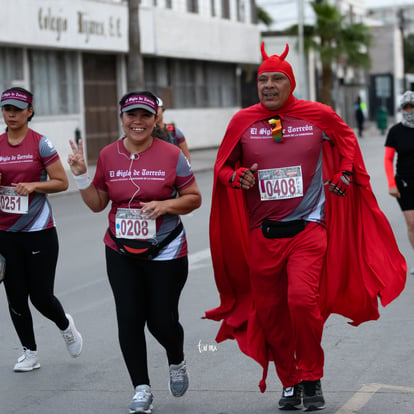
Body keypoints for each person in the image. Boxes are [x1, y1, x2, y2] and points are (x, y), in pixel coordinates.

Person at [204, 43, 406, 412]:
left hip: (309, 230)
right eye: (262, 79)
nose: (268, 85)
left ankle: (311, 376)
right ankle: (290, 381)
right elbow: (222, 166)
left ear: (290, 83)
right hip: (262, 235)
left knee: (301, 301)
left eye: (276, 79)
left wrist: (345, 173)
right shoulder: (243, 121)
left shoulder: (318, 115)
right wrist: (236, 177)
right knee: (272, 313)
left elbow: (347, 142)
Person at [68, 91, 201, 414]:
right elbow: (98, 204)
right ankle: (141, 388)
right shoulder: (109, 155)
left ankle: (176, 359)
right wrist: (82, 175)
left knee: (161, 322)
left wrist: (166, 204)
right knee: (129, 318)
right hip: (120, 248)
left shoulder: (172, 155)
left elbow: (193, 197)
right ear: (122, 118)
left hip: (166, 249)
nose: (137, 122)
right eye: (131, 115)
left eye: (144, 116)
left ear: (155, 119)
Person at [0, 87, 83, 372]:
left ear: (29, 112)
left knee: (41, 296)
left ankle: (66, 325)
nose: (10, 114)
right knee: (15, 294)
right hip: (5, 232)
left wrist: (35, 185)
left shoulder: (41, 144)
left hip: (39, 230)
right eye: (6, 109)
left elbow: (61, 182)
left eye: (17, 109)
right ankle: (29, 352)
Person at [384, 90, 414, 275]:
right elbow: (388, 159)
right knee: (412, 224)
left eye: (412, 107)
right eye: (406, 107)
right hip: (403, 182)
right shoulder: (395, 131)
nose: (409, 110)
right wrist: (391, 184)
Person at [152, 97, 191, 161]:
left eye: (157, 108)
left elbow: (187, 157)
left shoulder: (174, 132)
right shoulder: (147, 132)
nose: (155, 112)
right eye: (152, 109)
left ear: (162, 110)